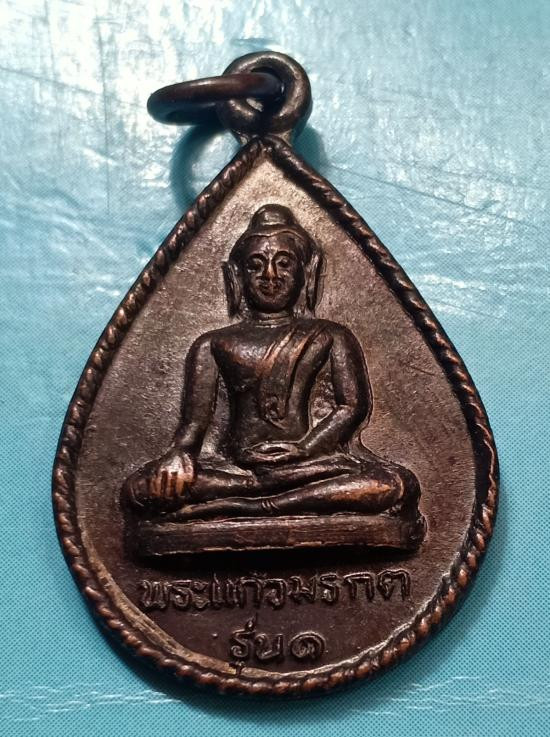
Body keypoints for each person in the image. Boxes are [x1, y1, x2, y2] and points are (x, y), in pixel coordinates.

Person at [123, 204, 420, 523]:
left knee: (394, 485)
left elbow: (351, 407)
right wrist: (179, 454)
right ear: (236, 276)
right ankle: (262, 494)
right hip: (236, 470)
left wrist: (304, 449)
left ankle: (252, 506)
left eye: (284, 264)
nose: (270, 276)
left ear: (307, 272)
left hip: (309, 466)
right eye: (255, 265)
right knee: (140, 489)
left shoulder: (330, 336)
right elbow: (194, 425)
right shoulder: (213, 343)